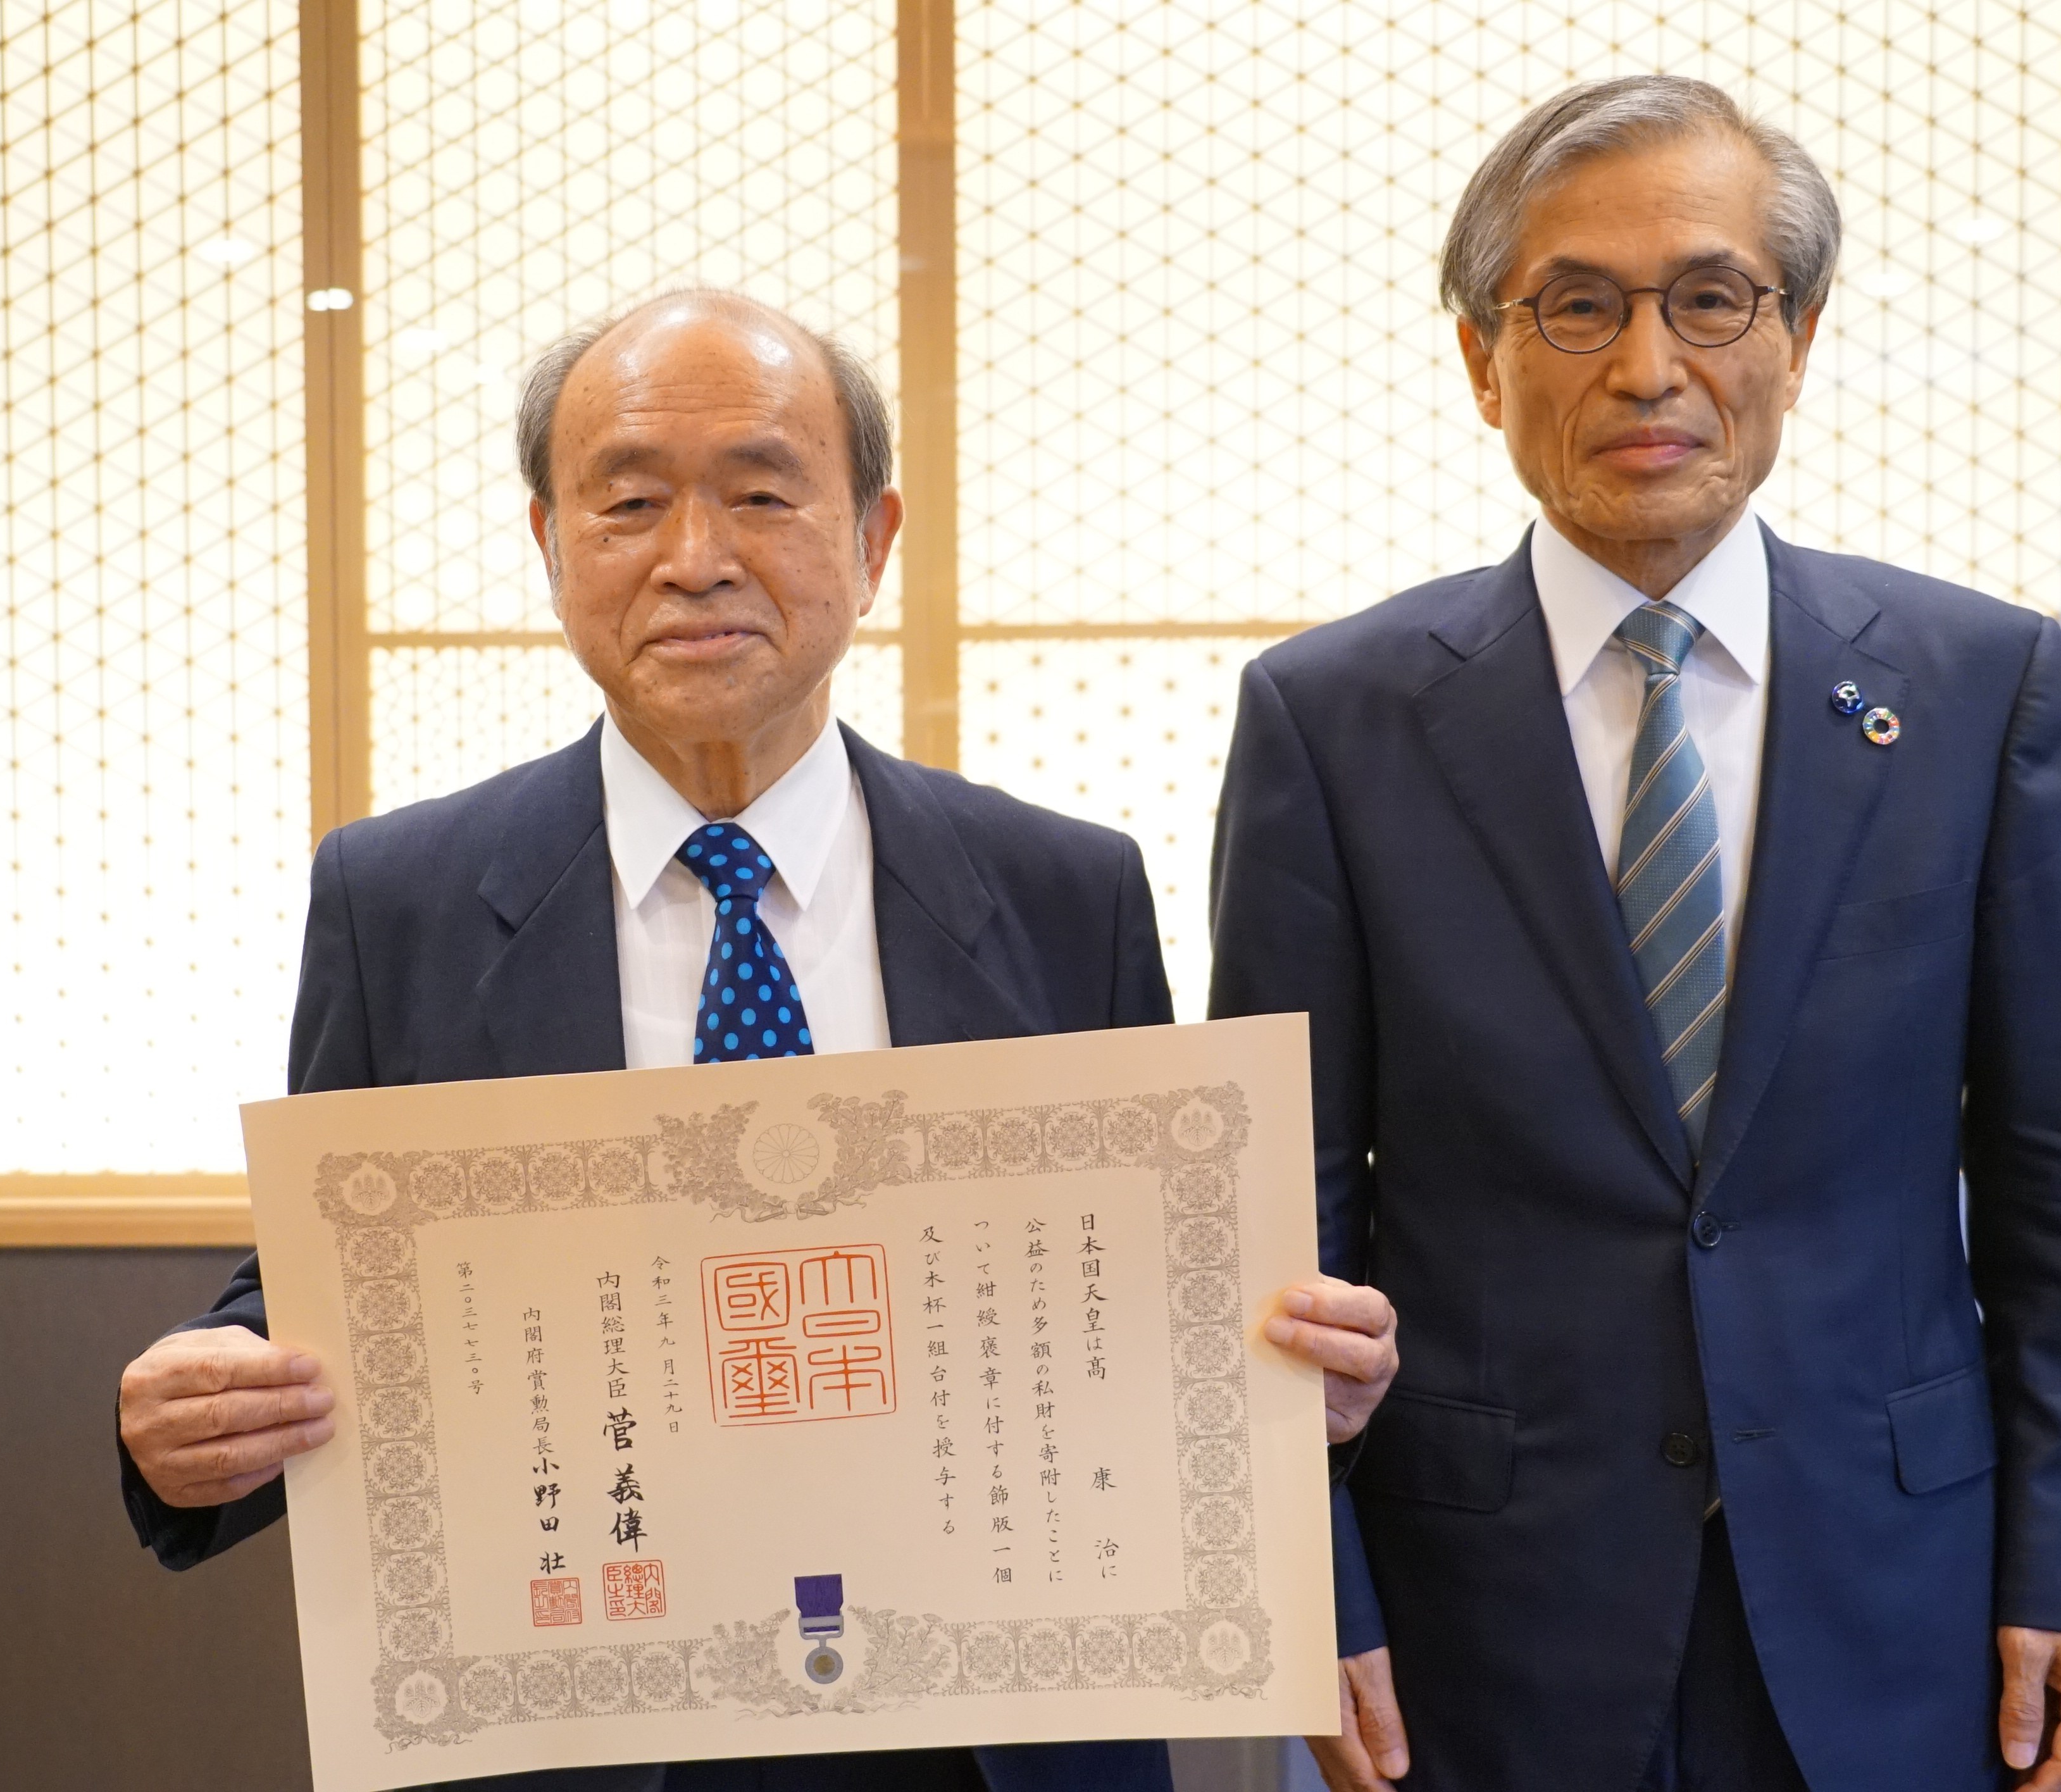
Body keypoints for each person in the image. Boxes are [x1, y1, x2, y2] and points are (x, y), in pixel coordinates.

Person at [115, 289, 1392, 1792]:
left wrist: (1291, 1387)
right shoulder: (396, 899)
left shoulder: (1063, 887)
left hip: (986, 1728)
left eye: (762, 494)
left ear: (872, 539)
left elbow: (1133, 1304)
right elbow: (324, 1285)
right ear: (548, 545)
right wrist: (200, 1407)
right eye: (629, 502)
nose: (694, 557)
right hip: (586, 1716)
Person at [1211, 76, 2061, 1792]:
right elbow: (1284, 1225)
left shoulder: (1975, 686)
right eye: (1576, 307)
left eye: (1711, 299)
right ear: (1483, 360)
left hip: (1897, 1589)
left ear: (1796, 338)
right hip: (1480, 1613)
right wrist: (1312, 1589)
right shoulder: (1330, 719)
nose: (1649, 368)